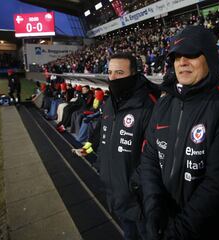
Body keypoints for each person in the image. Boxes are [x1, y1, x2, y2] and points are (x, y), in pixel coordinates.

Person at [140, 26, 219, 240]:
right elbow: (149, 156)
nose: (182, 62)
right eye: (176, 56)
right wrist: (153, 208)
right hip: (169, 223)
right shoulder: (165, 102)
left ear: (210, 58)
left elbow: (218, 184)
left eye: (192, 54)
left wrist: (176, 233)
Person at [76, 53, 159, 240]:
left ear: (134, 74)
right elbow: (102, 132)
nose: (112, 78)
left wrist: (134, 185)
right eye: (110, 72)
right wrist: (90, 149)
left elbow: (157, 155)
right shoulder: (110, 102)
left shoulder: (150, 105)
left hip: (140, 200)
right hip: (115, 193)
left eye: (119, 73)